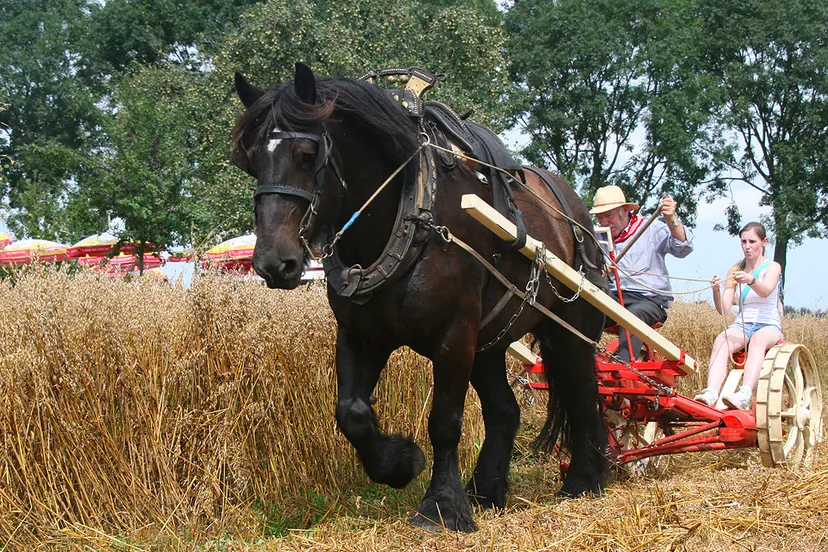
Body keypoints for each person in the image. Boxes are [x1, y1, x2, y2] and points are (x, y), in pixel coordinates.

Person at [590, 185, 694, 361]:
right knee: (583, 308)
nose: (604, 222)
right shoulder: (595, 236)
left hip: (648, 300)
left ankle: (624, 367)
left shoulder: (650, 229)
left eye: (609, 216)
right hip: (612, 297)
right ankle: (581, 362)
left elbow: (683, 248)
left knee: (632, 316)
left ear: (625, 210)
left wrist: (671, 220)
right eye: (600, 217)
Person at [694, 222, 783, 410]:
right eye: (743, 241)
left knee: (758, 340)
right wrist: (716, 291)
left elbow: (766, 291)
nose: (747, 246)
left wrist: (750, 280)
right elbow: (724, 309)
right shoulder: (735, 270)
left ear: (764, 242)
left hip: (769, 324)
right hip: (743, 324)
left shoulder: (772, 267)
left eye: (752, 241)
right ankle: (711, 392)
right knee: (722, 340)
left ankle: (744, 394)